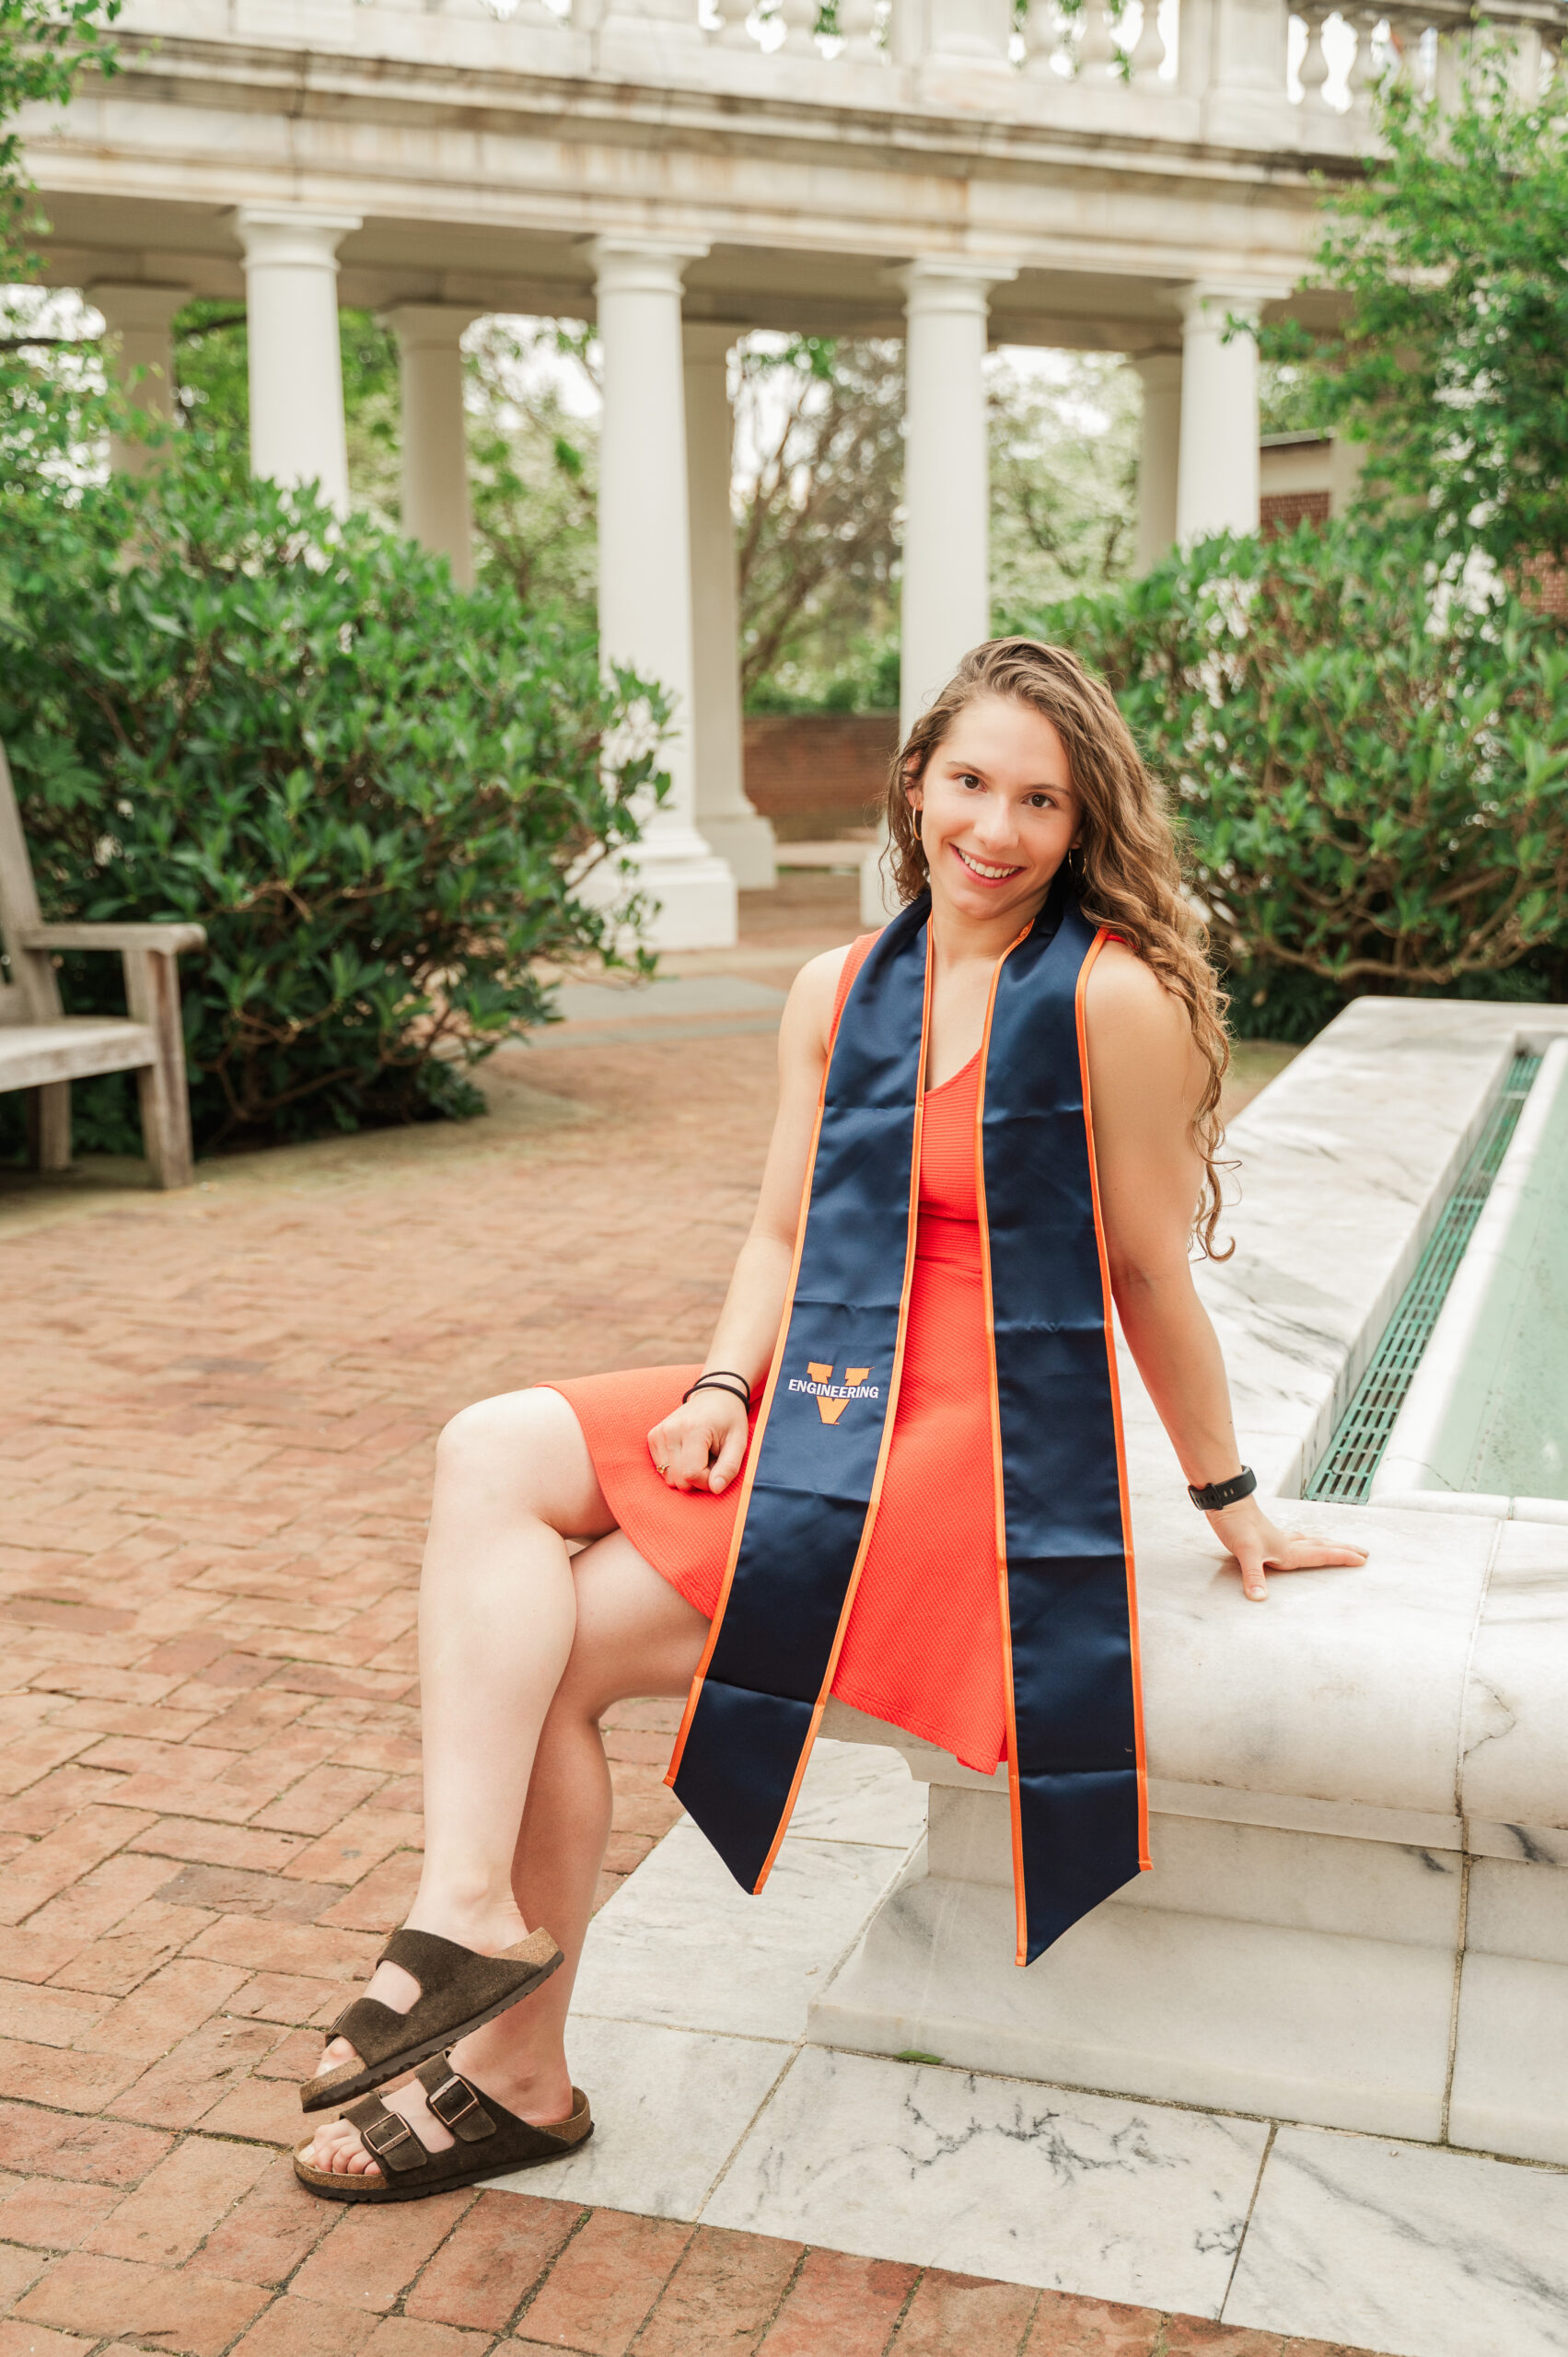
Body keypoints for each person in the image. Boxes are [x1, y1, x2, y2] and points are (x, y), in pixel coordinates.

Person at [294, 637, 1365, 2201]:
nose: (995, 831)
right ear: (916, 782)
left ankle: (514, 2071)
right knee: (485, 1448)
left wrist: (1230, 1492)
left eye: (1042, 802)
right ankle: (464, 1911)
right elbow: (785, 1238)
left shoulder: (1109, 999)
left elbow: (1142, 1271)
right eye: (971, 782)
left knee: (558, 1655)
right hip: (827, 1386)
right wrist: (726, 1387)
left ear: (1085, 826)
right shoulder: (840, 987)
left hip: (979, 1437)